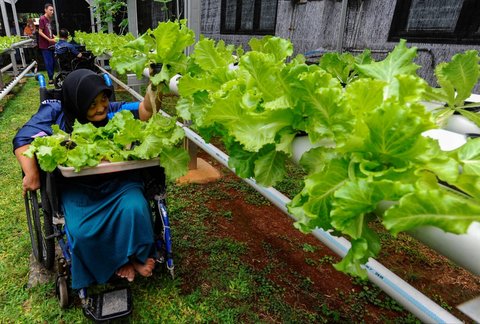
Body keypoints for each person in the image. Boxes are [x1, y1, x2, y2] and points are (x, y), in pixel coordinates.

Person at [13, 69, 162, 287]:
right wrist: (32, 173)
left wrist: (157, 84)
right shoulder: (55, 113)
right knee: (81, 232)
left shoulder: (113, 112)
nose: (101, 107)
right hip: (77, 187)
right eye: (92, 104)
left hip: (117, 182)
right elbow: (23, 139)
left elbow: (146, 110)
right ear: (77, 103)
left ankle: (134, 258)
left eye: (103, 99)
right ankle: (114, 263)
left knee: (136, 206)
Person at [38, 3, 56, 85]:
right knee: (48, 62)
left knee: (53, 61)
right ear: (45, 10)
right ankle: (50, 79)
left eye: (53, 10)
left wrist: (53, 36)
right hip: (45, 45)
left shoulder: (49, 20)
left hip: (51, 44)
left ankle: (52, 77)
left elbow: (49, 31)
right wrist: (49, 39)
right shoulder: (42, 19)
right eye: (50, 10)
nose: (52, 12)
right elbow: (40, 32)